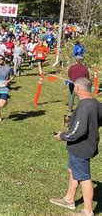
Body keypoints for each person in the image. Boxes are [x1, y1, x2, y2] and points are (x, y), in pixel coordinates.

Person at [51, 78, 101, 215]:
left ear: (77, 88)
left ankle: (88, 211)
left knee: (84, 178)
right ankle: (69, 199)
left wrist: (63, 136)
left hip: (81, 147)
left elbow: (78, 131)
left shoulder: (85, 106)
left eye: (74, 87)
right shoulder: (96, 103)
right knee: (73, 170)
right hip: (87, 145)